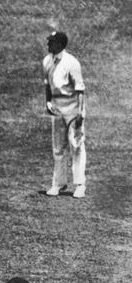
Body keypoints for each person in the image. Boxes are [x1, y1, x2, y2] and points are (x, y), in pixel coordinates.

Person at [43, 31, 87, 198]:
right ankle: (59, 184)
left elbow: (80, 89)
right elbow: (47, 84)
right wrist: (48, 102)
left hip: (73, 108)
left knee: (76, 145)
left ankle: (80, 185)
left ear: (60, 45)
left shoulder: (72, 63)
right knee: (58, 148)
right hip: (57, 109)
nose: (48, 44)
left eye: (52, 42)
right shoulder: (47, 61)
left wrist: (80, 113)